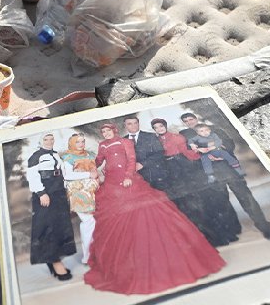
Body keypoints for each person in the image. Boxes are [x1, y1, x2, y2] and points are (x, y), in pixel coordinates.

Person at [84, 124, 225, 295]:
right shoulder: (102, 145)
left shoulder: (124, 142)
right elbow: (98, 160)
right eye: (103, 131)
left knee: (148, 212)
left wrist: (128, 176)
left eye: (108, 131)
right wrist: (91, 166)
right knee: (116, 217)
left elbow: (131, 159)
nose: (106, 133)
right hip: (112, 183)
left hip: (128, 179)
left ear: (114, 131)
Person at [180, 113, 270, 241]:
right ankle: (232, 232)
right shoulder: (184, 136)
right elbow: (187, 153)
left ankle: (264, 227)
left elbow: (229, 144)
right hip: (210, 175)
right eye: (186, 121)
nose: (189, 122)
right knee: (222, 204)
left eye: (191, 119)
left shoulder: (215, 129)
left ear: (196, 119)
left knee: (247, 199)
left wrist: (219, 150)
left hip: (229, 170)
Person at [151, 118, 240, 247]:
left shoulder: (177, 137)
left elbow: (187, 152)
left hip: (186, 169)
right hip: (172, 173)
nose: (159, 129)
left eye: (161, 126)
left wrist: (203, 155)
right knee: (189, 208)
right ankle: (210, 238)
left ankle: (223, 236)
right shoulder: (155, 141)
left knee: (204, 203)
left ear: (165, 126)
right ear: (154, 130)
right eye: (156, 127)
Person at [24, 133, 77, 281]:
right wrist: (41, 193)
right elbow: (33, 176)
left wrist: (66, 189)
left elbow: (62, 173)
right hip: (45, 192)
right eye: (46, 139)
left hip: (59, 192)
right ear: (40, 141)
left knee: (60, 226)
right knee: (48, 227)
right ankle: (54, 260)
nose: (49, 142)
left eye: (51, 139)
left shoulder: (56, 154)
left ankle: (54, 256)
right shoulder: (36, 156)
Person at [59, 133, 100, 265]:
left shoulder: (89, 154)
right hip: (78, 192)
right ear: (72, 143)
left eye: (82, 141)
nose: (81, 144)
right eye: (78, 142)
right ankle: (89, 256)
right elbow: (68, 175)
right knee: (88, 221)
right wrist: (89, 174)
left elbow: (96, 169)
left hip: (93, 190)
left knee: (96, 222)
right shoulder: (68, 157)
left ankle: (97, 254)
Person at [123, 116, 168, 191]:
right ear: (125, 126)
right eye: (130, 124)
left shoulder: (150, 136)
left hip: (154, 175)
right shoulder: (122, 140)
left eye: (135, 123)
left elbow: (159, 153)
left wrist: (142, 164)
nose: (134, 126)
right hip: (135, 178)